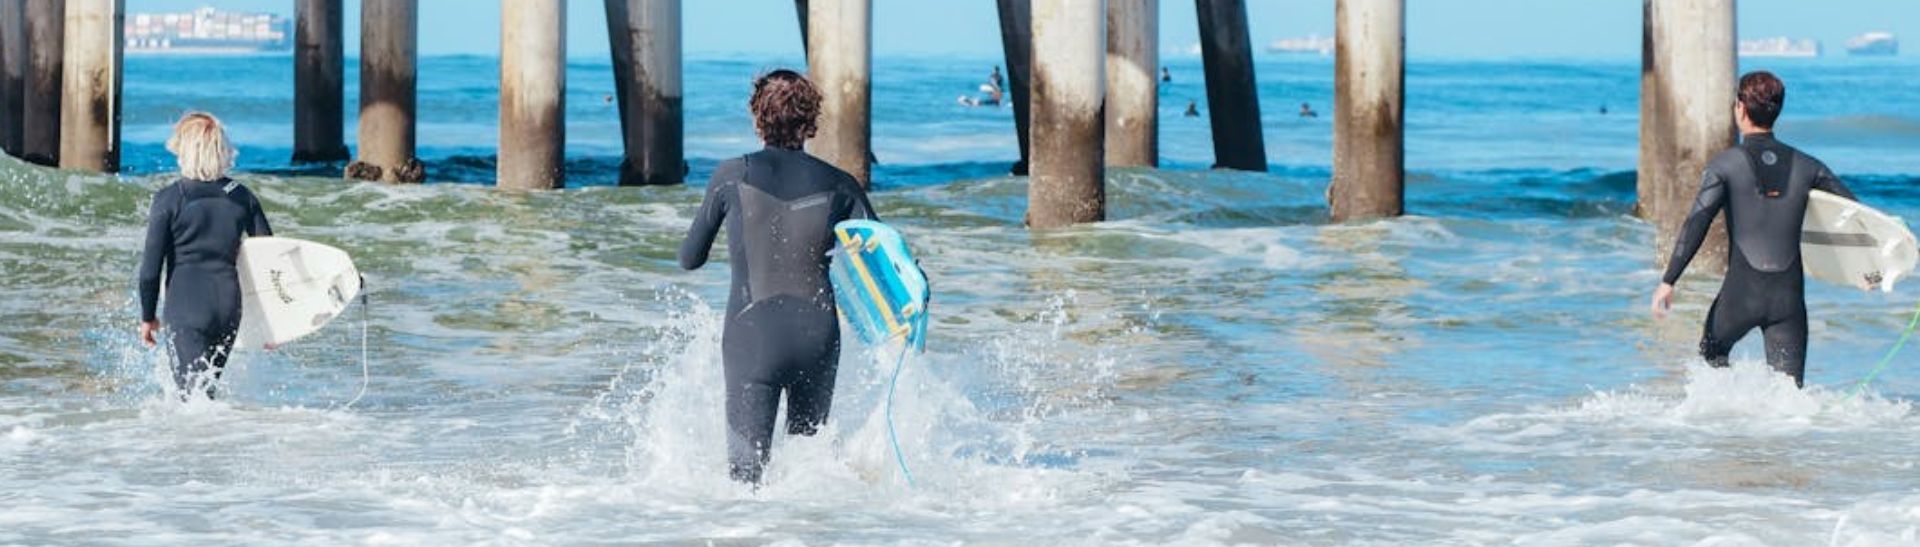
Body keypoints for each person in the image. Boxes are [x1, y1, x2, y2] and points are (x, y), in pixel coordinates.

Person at [679, 69, 879, 484]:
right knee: (809, 475)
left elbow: (689, 258)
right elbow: (881, 260)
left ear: (757, 118)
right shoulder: (842, 185)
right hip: (818, 339)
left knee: (746, 478)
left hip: (754, 335)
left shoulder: (731, 175)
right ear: (811, 122)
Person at [1650, 71, 1858, 388]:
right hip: (1788, 302)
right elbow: (1855, 213)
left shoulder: (1725, 164)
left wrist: (1668, 281)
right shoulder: (1809, 166)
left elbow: (1697, 222)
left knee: (1711, 361)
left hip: (1740, 296)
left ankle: (1729, 432)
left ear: (1740, 109)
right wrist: (1873, 267)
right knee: (1790, 397)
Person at [137, 112, 273, 400]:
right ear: (220, 151)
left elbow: (150, 271)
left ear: (184, 152)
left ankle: (201, 445)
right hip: (228, 309)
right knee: (205, 396)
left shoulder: (169, 198)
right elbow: (269, 260)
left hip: (187, 307)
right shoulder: (242, 196)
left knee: (192, 401)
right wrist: (273, 323)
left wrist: (147, 317)